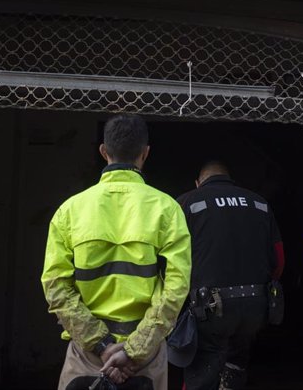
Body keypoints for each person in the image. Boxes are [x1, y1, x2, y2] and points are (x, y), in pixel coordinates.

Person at [41, 114, 191, 390]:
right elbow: (176, 289)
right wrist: (132, 351)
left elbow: (56, 287)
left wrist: (102, 346)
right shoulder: (168, 209)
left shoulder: (69, 211)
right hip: (145, 358)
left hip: (87, 356)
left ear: (103, 151)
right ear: (145, 154)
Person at [175, 160, 284, 390]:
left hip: (208, 311)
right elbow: (279, 261)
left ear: (198, 183)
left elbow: (172, 262)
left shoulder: (187, 203)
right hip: (254, 309)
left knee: (202, 376)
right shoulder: (259, 203)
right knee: (234, 370)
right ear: (231, 180)